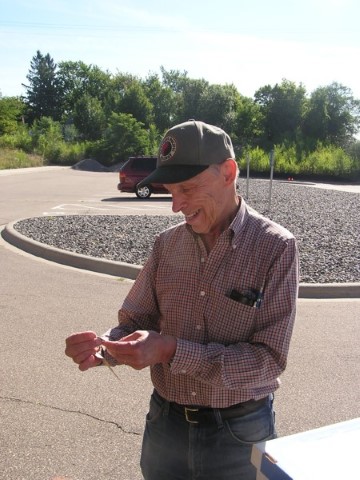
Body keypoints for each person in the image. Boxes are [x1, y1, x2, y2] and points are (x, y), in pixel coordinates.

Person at [65, 120, 299, 480]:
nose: (176, 206)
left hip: (240, 432)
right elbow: (136, 320)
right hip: (165, 424)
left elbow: (268, 361)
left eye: (187, 188)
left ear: (228, 172)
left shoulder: (275, 247)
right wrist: (107, 347)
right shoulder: (167, 243)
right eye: (171, 191)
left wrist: (170, 351)